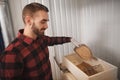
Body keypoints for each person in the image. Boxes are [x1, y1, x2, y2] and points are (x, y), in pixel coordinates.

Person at [0, 2, 71, 80]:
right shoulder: (12, 53)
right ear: (28, 21)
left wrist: (70, 39)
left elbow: (53, 40)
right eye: (43, 22)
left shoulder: (41, 38)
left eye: (47, 21)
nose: (46, 26)